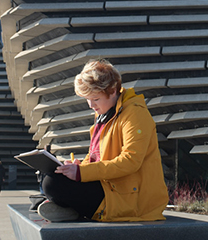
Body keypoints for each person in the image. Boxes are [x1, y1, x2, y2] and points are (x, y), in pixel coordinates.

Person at [38, 59, 168, 223]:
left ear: (113, 90)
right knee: (53, 176)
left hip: (131, 199)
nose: (91, 105)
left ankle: (68, 207)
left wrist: (82, 173)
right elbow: (95, 155)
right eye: (87, 99)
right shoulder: (105, 114)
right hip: (109, 187)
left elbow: (131, 161)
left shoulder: (135, 114)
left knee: (52, 184)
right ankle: (69, 207)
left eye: (95, 99)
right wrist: (79, 166)